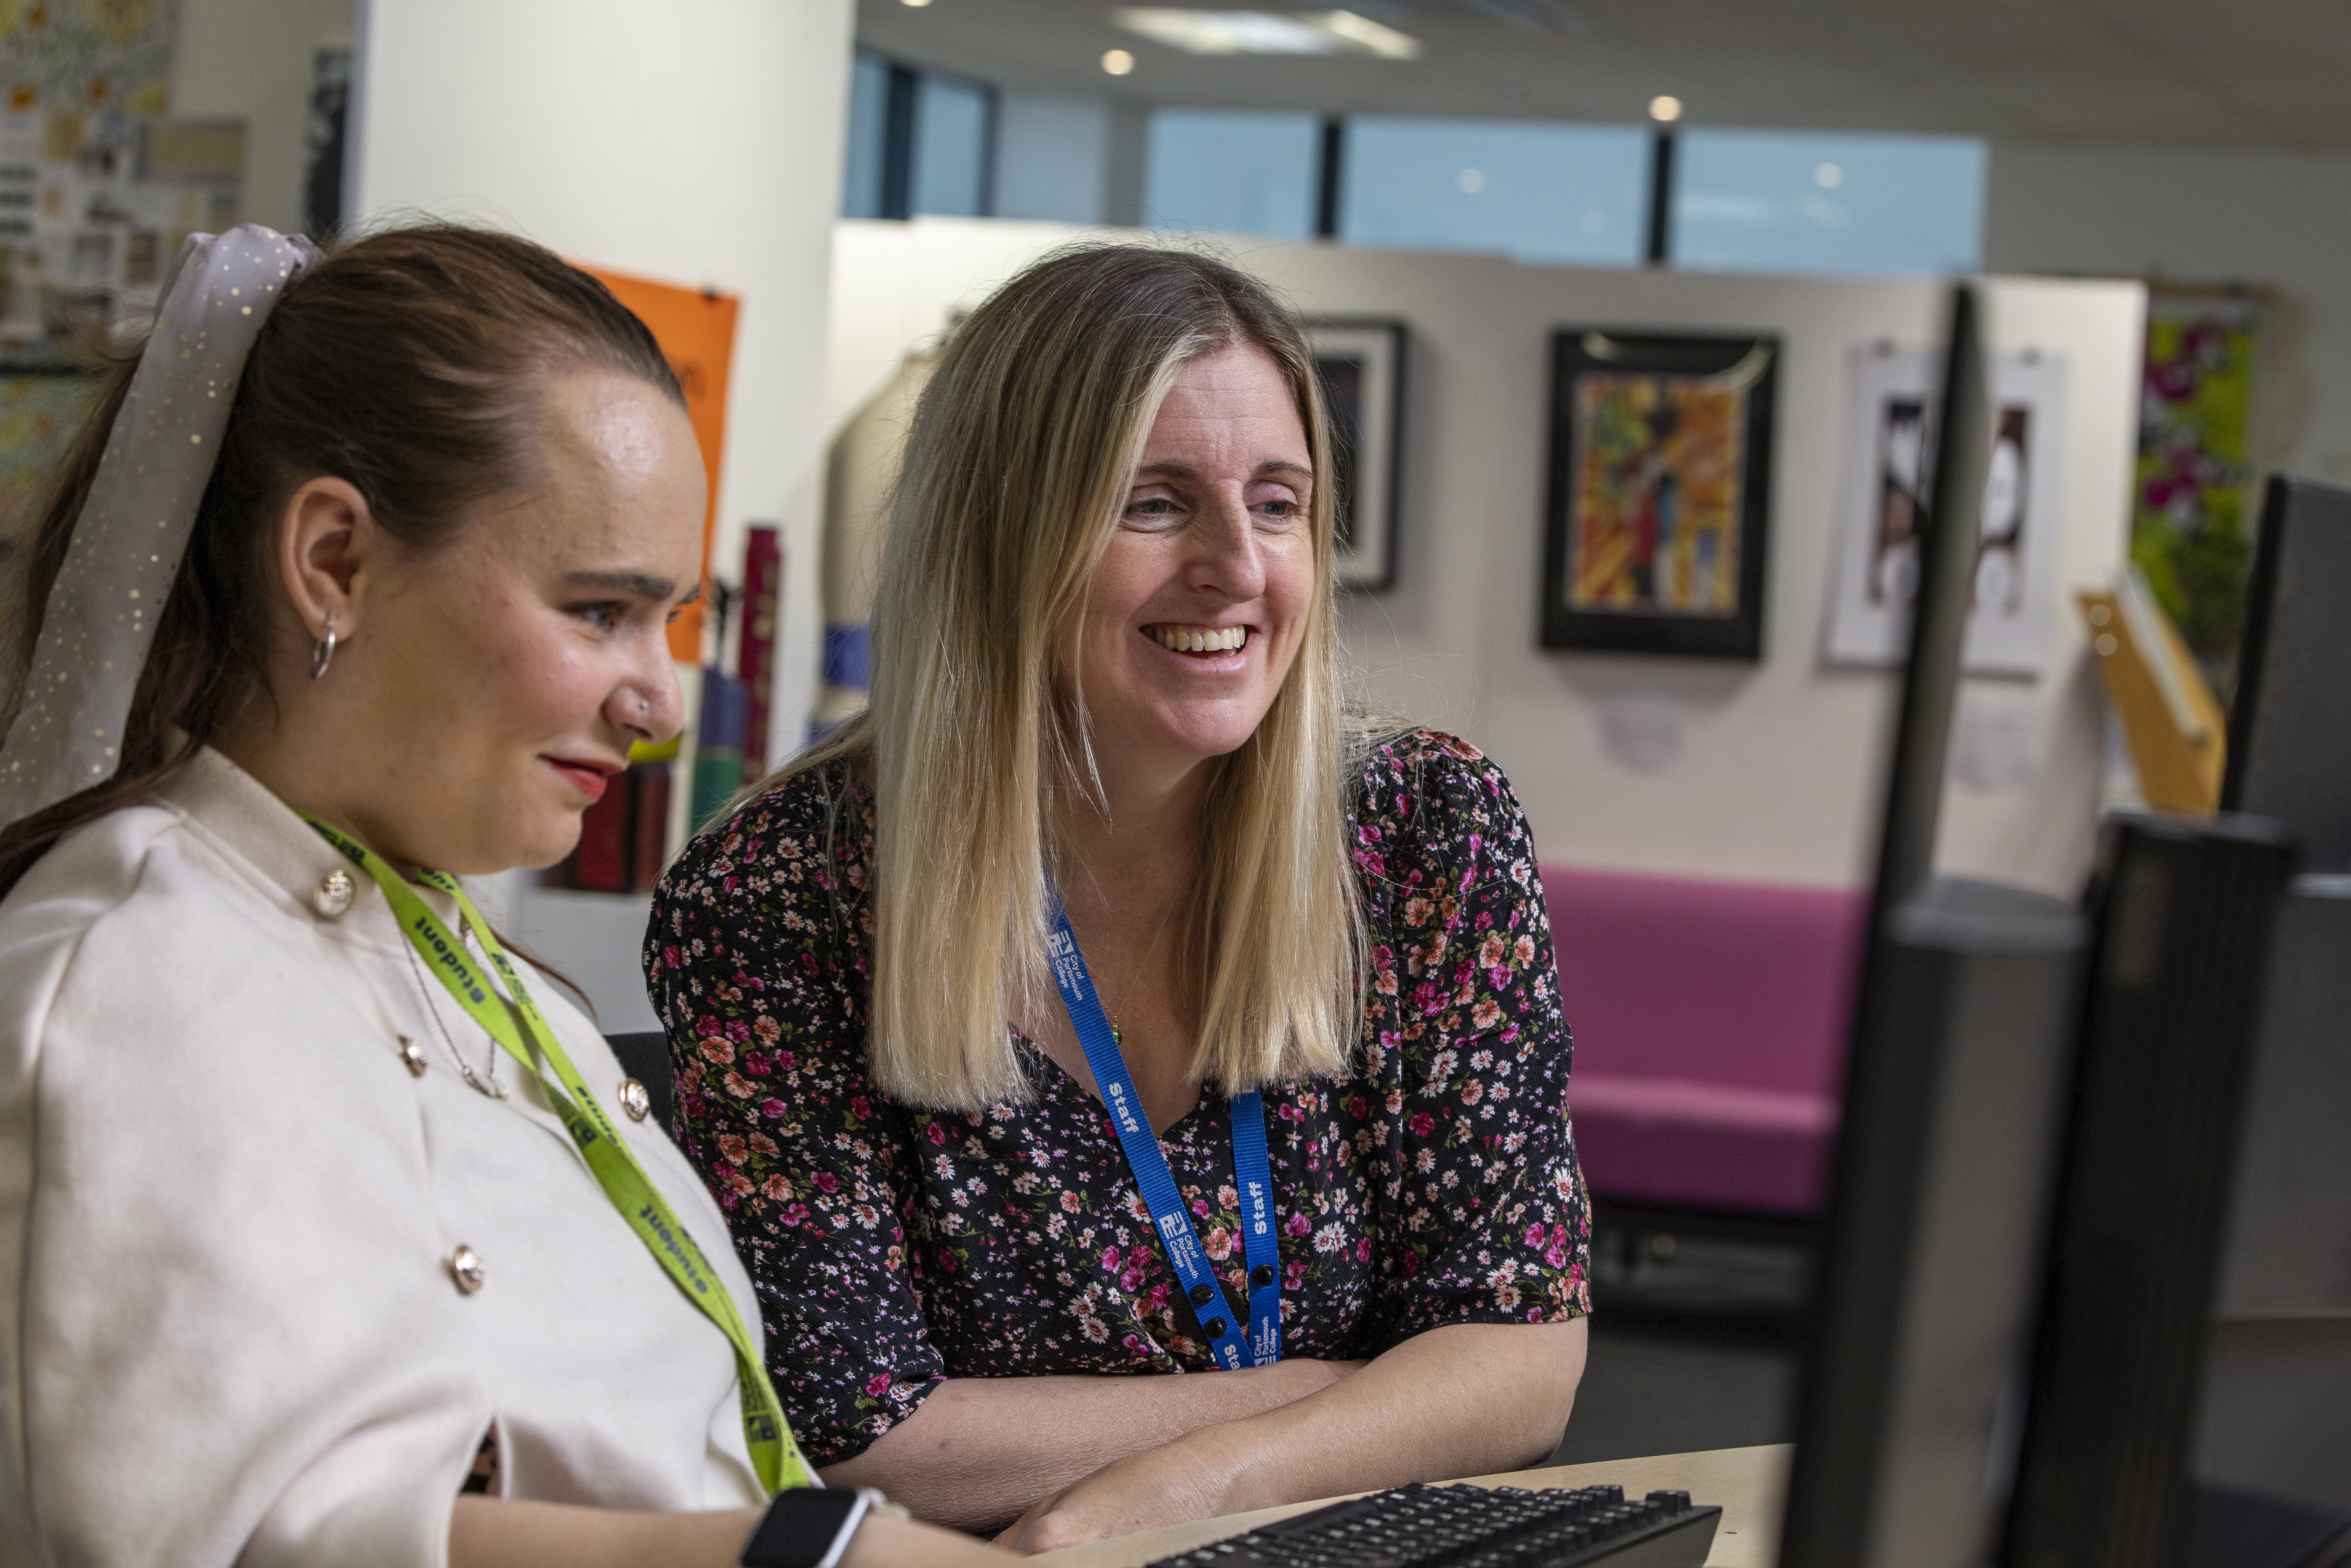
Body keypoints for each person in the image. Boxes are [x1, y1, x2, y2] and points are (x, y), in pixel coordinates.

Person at [0, 223, 1001, 1568]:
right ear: (336, 561)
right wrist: (811, 1556)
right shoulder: (135, 977)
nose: (656, 701)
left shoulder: (474, 964)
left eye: (671, 620)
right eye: (600, 611)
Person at [646, 245, 1592, 1554]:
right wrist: (1339, 1398)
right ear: (999, 533)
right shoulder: (781, 891)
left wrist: (1193, 1478)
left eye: (1278, 503)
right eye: (1153, 503)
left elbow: (1519, 1350)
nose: (1236, 567)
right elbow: (859, 1426)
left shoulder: (1424, 831)